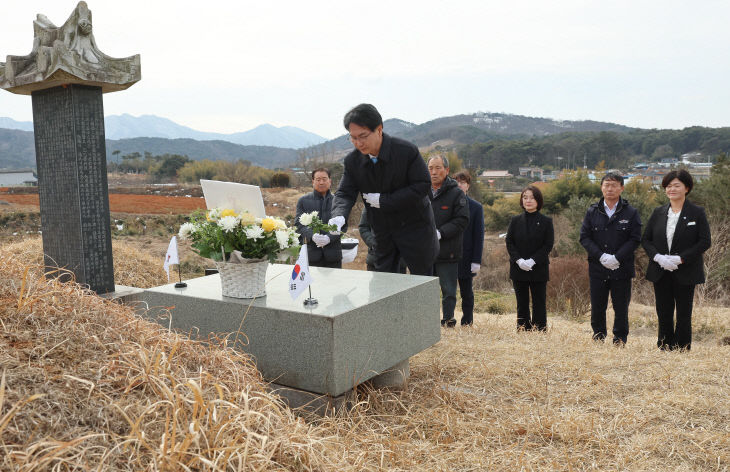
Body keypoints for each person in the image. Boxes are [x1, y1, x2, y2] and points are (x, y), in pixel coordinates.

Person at [330, 103, 438, 275]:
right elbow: (344, 192)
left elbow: (422, 185)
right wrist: (338, 215)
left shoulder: (406, 151)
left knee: (422, 280)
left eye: (363, 136)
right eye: (353, 137)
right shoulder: (353, 161)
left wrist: (384, 201)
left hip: (415, 227)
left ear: (379, 130)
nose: (358, 143)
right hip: (383, 229)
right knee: (385, 280)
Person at [641, 169, 711, 351]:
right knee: (663, 310)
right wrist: (657, 257)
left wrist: (681, 258)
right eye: (669, 186)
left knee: (683, 311)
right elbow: (646, 239)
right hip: (660, 268)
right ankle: (664, 345)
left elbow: (705, 241)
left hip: (686, 269)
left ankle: (682, 346)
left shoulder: (696, 212)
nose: (672, 189)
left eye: (677, 185)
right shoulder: (658, 212)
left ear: (686, 188)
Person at [580, 173, 642, 344]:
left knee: (621, 306)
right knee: (597, 306)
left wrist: (617, 258)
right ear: (601, 188)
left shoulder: (630, 212)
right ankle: (598, 336)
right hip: (598, 267)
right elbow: (584, 237)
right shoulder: (592, 211)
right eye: (606, 185)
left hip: (621, 268)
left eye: (614, 185)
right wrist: (601, 256)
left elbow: (635, 239)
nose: (610, 188)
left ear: (621, 188)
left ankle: (620, 338)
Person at [428, 155, 470, 327]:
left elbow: (462, 220)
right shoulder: (421, 191)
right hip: (424, 251)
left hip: (448, 250)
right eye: (430, 168)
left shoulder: (456, 193)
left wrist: (440, 233)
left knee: (448, 290)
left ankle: (447, 320)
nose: (434, 172)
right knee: (425, 289)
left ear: (447, 170)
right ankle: (427, 321)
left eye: (438, 168)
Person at [505, 186, 554, 331]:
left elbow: (548, 245)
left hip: (538, 268)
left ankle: (539, 328)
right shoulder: (515, 220)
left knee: (539, 301)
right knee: (522, 301)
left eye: (532, 197)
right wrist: (519, 260)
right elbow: (509, 242)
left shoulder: (546, 221)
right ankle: (522, 328)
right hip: (518, 267)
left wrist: (533, 260)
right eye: (525, 197)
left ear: (538, 200)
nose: (528, 200)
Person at [453, 171, 484, 326]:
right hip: (447, 255)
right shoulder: (446, 203)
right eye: (456, 181)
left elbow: (479, 236)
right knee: (448, 292)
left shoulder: (476, 207)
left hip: (466, 256)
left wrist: (476, 260)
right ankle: (447, 319)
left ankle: (467, 321)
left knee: (467, 292)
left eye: (463, 182)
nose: (459, 185)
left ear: (468, 186)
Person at [295, 167, 342, 268]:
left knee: (335, 283)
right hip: (311, 255)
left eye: (324, 179)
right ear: (313, 181)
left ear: (330, 181)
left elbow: (343, 225)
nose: (321, 182)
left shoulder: (338, 201)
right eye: (318, 179)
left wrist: (329, 238)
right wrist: (312, 236)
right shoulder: (303, 201)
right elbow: (299, 224)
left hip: (333, 255)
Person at [358, 206, 406, 273]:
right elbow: (363, 227)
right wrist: (374, 243)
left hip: (400, 261)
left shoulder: (405, 203)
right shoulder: (370, 204)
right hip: (375, 260)